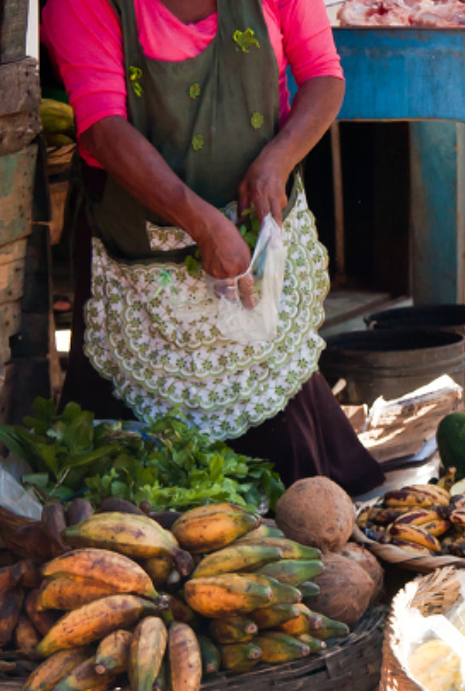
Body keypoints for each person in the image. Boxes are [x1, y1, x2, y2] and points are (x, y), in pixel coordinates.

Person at [44, 0, 385, 494]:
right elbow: (102, 128)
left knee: (281, 455)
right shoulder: (82, 6)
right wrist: (201, 225)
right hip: (141, 252)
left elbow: (323, 76)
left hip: (256, 227)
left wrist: (276, 163)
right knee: (136, 483)